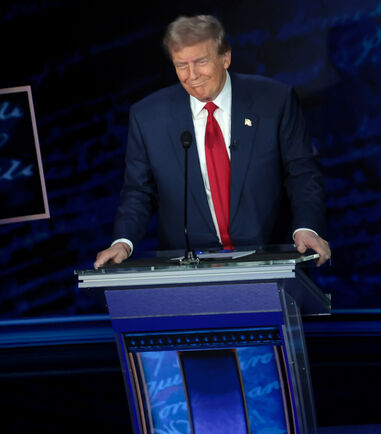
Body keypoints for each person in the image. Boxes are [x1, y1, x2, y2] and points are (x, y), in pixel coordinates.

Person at [94, 14, 330, 268]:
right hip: (188, 269)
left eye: (201, 62)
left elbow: (302, 173)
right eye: (181, 65)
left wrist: (307, 228)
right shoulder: (148, 117)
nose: (192, 75)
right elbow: (138, 191)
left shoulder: (274, 101)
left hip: (269, 258)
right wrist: (123, 241)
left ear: (225, 57)